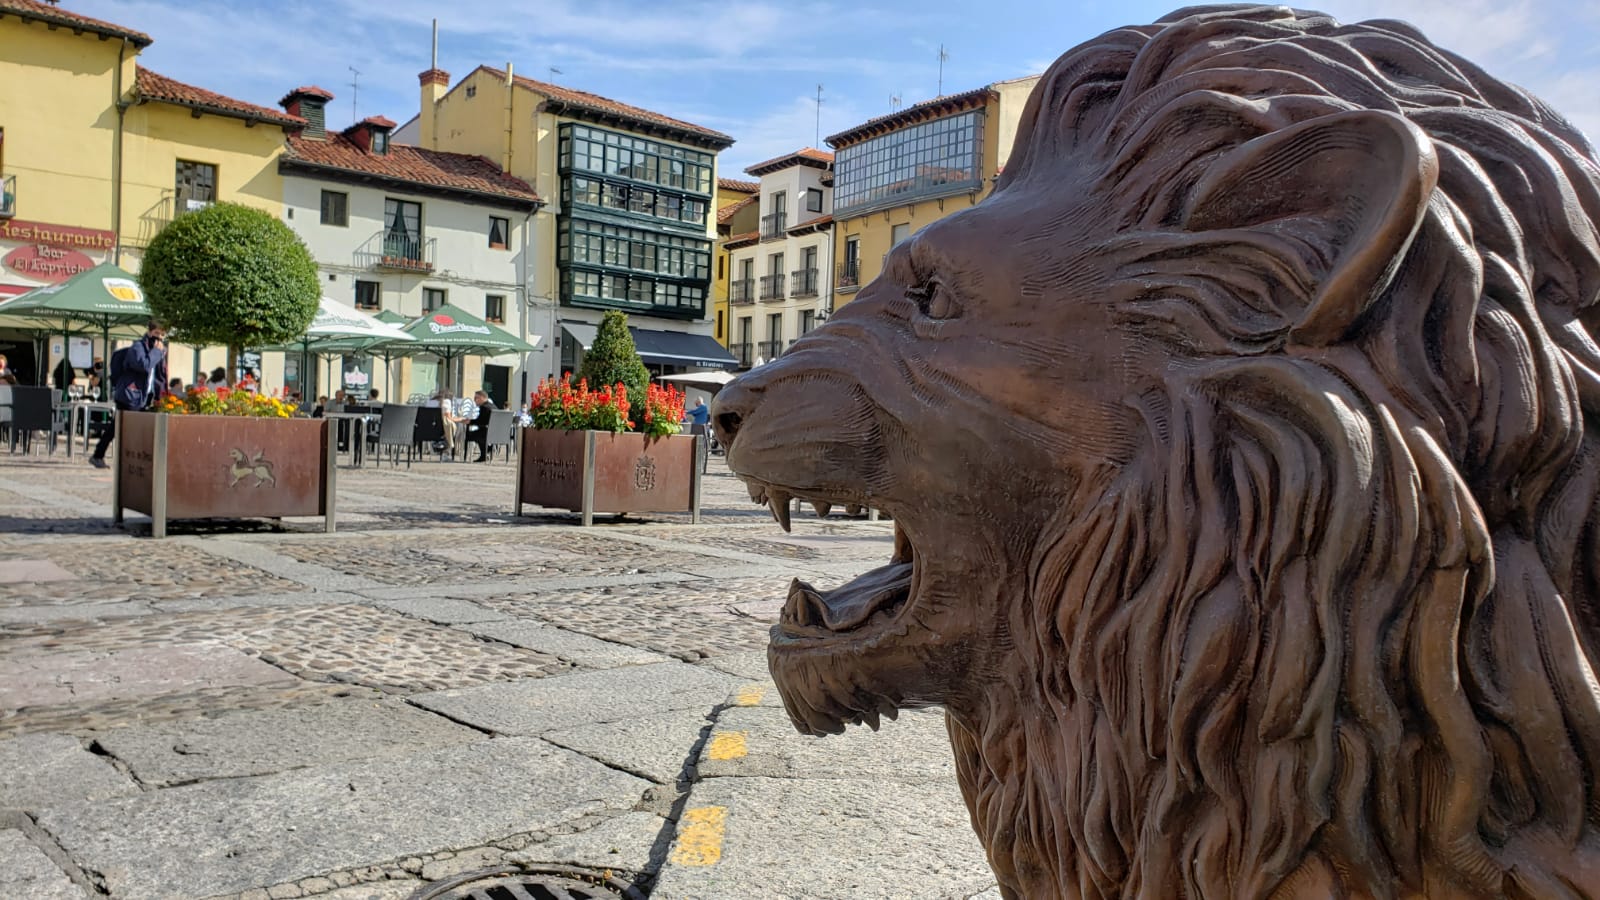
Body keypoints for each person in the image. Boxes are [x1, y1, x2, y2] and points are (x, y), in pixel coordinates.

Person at [90, 320, 167, 469]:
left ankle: (98, 455)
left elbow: (159, 376)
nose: (159, 338)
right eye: (157, 333)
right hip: (130, 395)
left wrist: (160, 396)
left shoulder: (158, 350)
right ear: (149, 332)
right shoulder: (138, 347)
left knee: (116, 427)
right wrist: (157, 352)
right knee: (129, 429)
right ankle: (128, 460)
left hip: (145, 396)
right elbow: (143, 366)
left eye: (162, 335)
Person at [466, 390, 495, 462]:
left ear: (482, 398)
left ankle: (484, 453)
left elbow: (481, 421)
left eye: (476, 398)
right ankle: (487, 450)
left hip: (486, 433)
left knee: (470, 435)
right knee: (479, 433)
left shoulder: (484, 407)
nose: (474, 400)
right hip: (495, 433)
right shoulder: (493, 406)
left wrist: (469, 422)